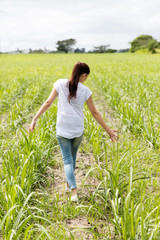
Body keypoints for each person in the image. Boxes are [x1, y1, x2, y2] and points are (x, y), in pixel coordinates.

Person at [29, 62, 118, 202]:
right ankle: (72, 189)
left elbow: (48, 102)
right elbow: (95, 113)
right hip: (77, 128)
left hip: (63, 127)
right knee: (72, 158)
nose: (86, 79)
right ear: (84, 75)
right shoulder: (85, 91)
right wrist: (109, 131)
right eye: (87, 76)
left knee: (67, 160)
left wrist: (35, 118)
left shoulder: (59, 83)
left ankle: (71, 188)